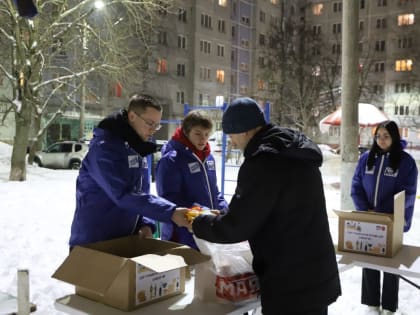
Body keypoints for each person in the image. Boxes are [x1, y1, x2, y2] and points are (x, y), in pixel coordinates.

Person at [191, 97, 341, 315]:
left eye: (231, 135)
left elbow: (237, 226)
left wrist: (199, 223)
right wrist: (227, 214)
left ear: (245, 131)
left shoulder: (262, 162)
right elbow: (272, 207)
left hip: (289, 282)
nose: (232, 142)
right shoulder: (294, 152)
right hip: (315, 272)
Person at [69, 94, 190, 248]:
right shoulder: (104, 149)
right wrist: (171, 213)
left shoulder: (138, 148)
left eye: (157, 125)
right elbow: (123, 195)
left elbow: (142, 193)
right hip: (94, 242)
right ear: (132, 116)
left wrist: (146, 224)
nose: (153, 130)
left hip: (126, 240)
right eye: (150, 123)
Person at [351, 120, 418, 315]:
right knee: (370, 258)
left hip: (392, 219)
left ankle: (388, 306)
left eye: (386, 136)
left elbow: (408, 192)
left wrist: (382, 211)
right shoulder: (366, 158)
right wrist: (364, 209)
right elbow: (356, 185)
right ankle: (372, 304)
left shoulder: (405, 162)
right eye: (378, 136)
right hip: (369, 219)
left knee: (390, 262)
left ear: (394, 137)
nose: (381, 140)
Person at [155, 110, 228, 250]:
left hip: (207, 227)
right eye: (198, 133)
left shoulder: (208, 158)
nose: (203, 139)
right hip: (183, 232)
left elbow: (214, 191)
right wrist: (203, 212)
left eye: (207, 134)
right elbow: (169, 200)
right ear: (186, 132)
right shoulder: (171, 159)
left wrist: (225, 210)